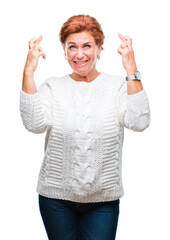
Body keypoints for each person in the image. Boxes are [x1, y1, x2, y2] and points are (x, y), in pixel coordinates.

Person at [20, 14, 150, 240]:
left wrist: (131, 68)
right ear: (64, 50)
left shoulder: (118, 86)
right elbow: (34, 124)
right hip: (56, 199)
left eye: (87, 46)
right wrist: (28, 72)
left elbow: (140, 122)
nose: (79, 54)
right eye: (72, 47)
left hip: (103, 200)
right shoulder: (53, 86)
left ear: (99, 48)